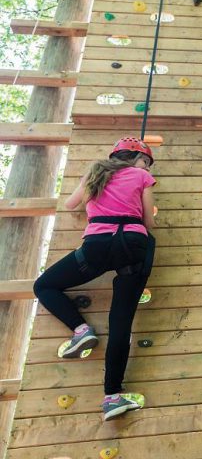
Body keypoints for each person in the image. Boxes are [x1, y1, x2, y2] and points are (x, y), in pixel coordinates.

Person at [33, 137, 157, 420]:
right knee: (121, 322)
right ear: (135, 158)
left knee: (44, 286)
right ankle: (112, 396)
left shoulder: (95, 172)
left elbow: (70, 205)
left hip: (97, 245)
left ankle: (80, 330)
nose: (147, 167)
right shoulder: (142, 176)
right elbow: (149, 223)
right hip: (134, 246)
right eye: (146, 161)